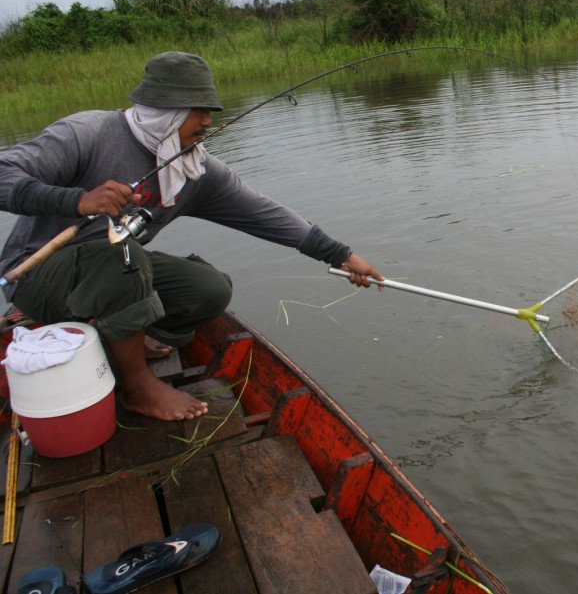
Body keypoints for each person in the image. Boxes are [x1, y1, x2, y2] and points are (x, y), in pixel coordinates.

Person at [0, 51, 383, 421]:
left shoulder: (193, 168)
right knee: (122, 257)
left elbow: (263, 212)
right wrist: (77, 200)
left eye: (209, 112)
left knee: (209, 290)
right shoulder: (87, 133)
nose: (207, 122)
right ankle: (137, 388)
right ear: (164, 112)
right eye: (196, 111)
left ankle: (128, 332)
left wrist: (341, 256)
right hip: (36, 276)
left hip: (117, 274)